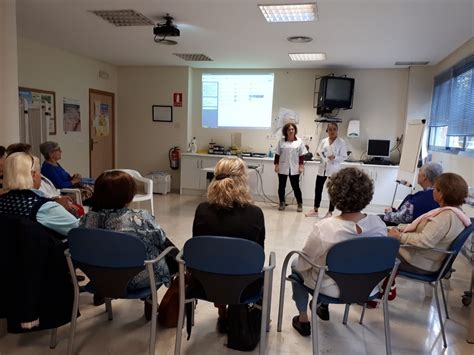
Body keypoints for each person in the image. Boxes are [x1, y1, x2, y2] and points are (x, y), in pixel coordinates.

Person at [291, 167, 386, 336]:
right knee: (331, 263)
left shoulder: (325, 228)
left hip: (331, 289)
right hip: (367, 288)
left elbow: (305, 262)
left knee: (296, 264)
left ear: (334, 195)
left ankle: (304, 319)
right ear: (367, 194)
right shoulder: (378, 225)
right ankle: (322, 306)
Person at [80, 170, 176, 318]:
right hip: (136, 280)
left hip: (100, 278)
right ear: (128, 195)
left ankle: (103, 295)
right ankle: (150, 301)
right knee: (169, 254)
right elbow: (161, 239)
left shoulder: (87, 220)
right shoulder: (139, 218)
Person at [192, 156, 266, 332]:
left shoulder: (202, 210)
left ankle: (222, 313)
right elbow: (259, 252)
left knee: (216, 261)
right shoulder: (255, 214)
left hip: (205, 283)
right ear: (242, 180)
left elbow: (198, 247)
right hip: (245, 285)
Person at [388, 172, 471, 274]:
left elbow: (424, 241)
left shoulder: (445, 218)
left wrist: (399, 236)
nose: (432, 191)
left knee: (374, 252)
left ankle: (378, 288)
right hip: (426, 259)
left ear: (441, 194)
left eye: (435, 189)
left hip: (418, 263)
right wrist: (399, 229)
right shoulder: (456, 212)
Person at [0, 152, 79, 237]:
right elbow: (79, 231)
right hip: (47, 249)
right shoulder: (44, 207)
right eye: (39, 172)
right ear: (33, 175)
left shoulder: (2, 201)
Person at [306, 122, 347, 218]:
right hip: (322, 169)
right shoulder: (324, 141)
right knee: (318, 189)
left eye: (334, 129)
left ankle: (330, 212)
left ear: (337, 130)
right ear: (327, 131)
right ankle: (315, 210)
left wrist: (335, 157)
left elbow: (344, 156)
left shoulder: (341, 142)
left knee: (332, 191)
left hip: (333, 170)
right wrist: (318, 154)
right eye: (330, 129)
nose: (332, 131)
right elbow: (319, 151)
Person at [274, 123, 307, 212]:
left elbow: (301, 156)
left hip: (294, 168)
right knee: (281, 186)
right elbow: (277, 154)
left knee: (296, 187)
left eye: (292, 129)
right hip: (283, 167)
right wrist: (276, 165)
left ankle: (299, 203)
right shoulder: (281, 141)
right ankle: (282, 202)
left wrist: (301, 166)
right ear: (286, 131)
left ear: (295, 130)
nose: (291, 131)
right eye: (289, 129)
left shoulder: (299, 141)